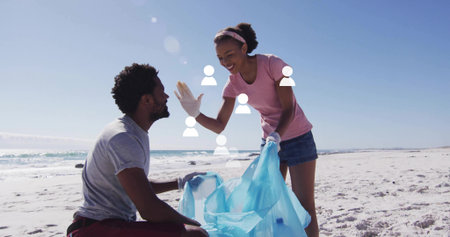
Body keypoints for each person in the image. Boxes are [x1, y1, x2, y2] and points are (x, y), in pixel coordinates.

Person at [175, 23, 319, 236]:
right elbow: (219, 126)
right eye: (220, 58)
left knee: (303, 203)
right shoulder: (232, 84)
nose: (225, 62)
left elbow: (288, 109)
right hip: (271, 143)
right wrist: (195, 114)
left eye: (229, 54)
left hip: (297, 137)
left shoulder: (272, 64)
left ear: (244, 48)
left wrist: (276, 136)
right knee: (267, 204)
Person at [67, 63, 208, 237]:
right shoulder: (123, 137)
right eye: (162, 91)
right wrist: (190, 222)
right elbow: (148, 209)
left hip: (112, 225)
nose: (166, 96)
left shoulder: (133, 131)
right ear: (147, 100)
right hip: (95, 229)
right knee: (195, 235)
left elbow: (138, 187)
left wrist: (180, 182)